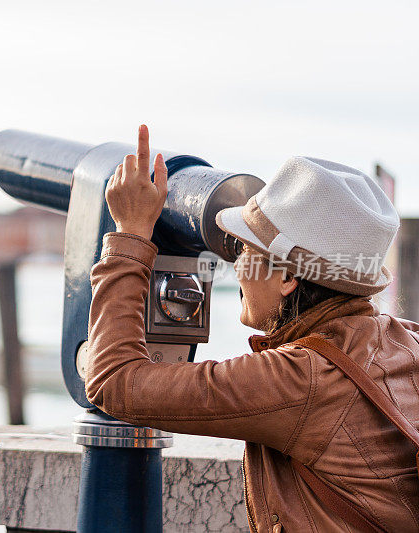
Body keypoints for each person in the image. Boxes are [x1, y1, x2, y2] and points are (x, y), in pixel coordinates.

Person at [85, 124, 419, 532]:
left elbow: (114, 382)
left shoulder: (302, 380)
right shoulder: (407, 340)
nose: (235, 265)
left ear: (286, 278)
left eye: (243, 248)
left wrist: (130, 235)